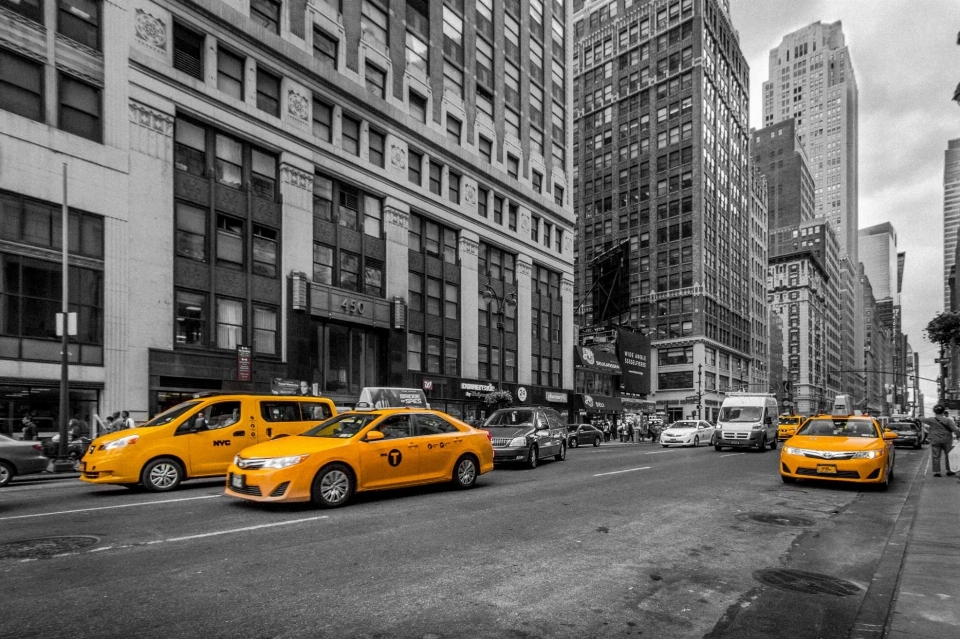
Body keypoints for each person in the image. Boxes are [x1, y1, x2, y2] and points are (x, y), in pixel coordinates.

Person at [923, 404, 960, 477]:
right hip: (947, 440)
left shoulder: (931, 420)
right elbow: (954, 429)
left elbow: (922, 419)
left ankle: (937, 472)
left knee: (936, 456)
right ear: (943, 411)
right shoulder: (948, 420)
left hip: (935, 440)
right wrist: (958, 436)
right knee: (948, 455)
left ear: (934, 411)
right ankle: (949, 470)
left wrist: (920, 416)